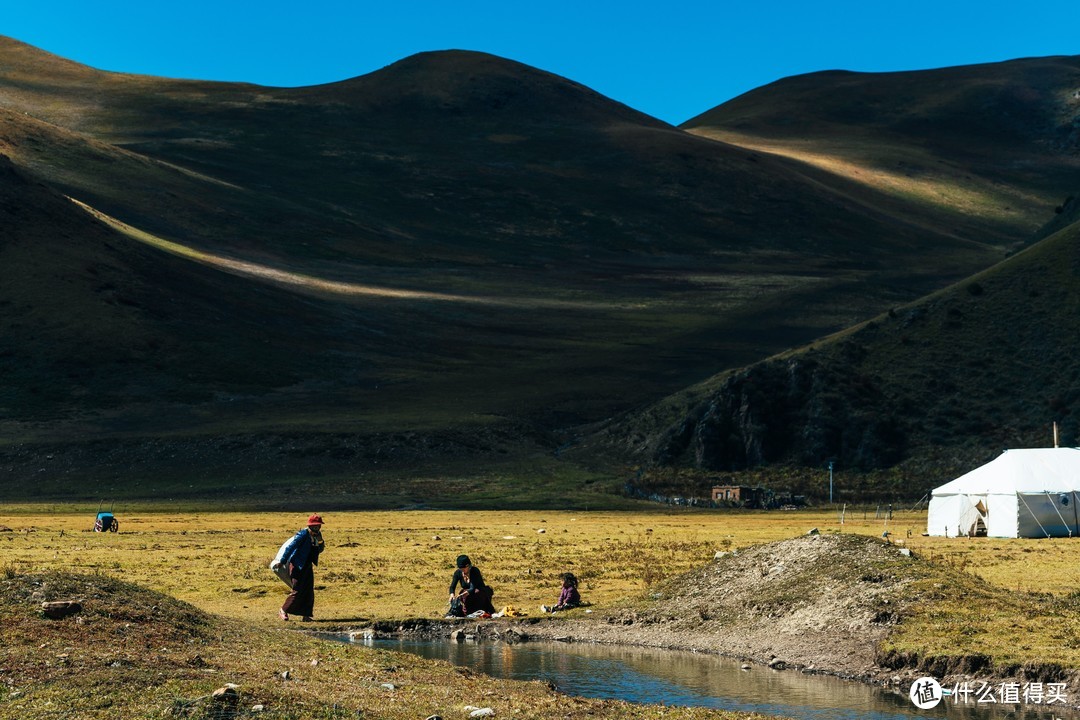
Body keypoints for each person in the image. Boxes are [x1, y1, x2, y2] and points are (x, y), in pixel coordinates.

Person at [271, 513, 325, 622]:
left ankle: (306, 615)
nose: (316, 528)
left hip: (307, 565)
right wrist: (282, 561)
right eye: (314, 526)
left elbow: (320, 549)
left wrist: (320, 541)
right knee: (298, 590)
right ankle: (283, 610)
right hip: (297, 565)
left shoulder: (317, 536)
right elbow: (290, 547)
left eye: (318, 526)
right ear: (309, 526)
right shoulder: (302, 534)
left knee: (309, 590)